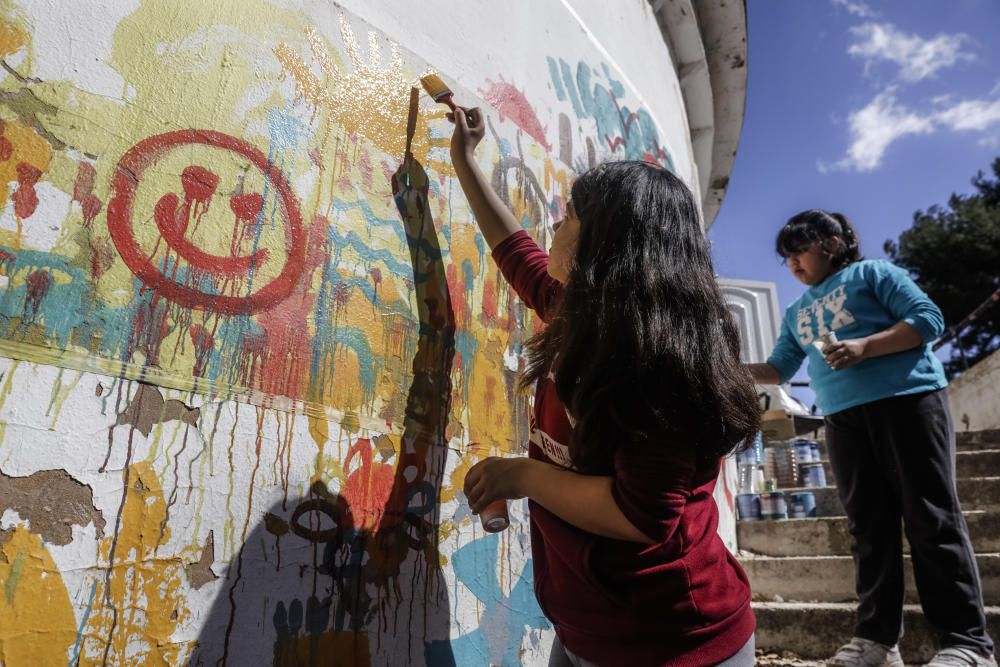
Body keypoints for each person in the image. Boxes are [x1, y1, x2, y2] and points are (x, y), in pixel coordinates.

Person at [448, 105, 760, 666]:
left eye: (570, 215)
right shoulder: (583, 313)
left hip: (671, 640)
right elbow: (514, 251)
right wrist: (465, 160)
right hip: (589, 623)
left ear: (611, 244)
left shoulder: (655, 363)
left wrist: (520, 475)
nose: (555, 226)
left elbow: (642, 517)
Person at [747, 209, 996, 667]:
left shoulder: (874, 274)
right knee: (868, 527)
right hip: (842, 418)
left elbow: (927, 319)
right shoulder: (797, 311)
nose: (793, 264)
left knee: (930, 517)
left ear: (832, 243)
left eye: (799, 250)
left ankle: (968, 644)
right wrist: (722, 368)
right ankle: (878, 642)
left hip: (908, 401)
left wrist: (866, 346)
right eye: (786, 258)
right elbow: (779, 368)